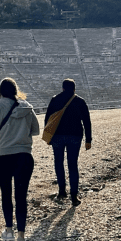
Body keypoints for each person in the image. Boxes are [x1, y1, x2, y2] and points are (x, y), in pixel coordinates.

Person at [0, 78, 39, 241]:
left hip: (3, 155)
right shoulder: (27, 107)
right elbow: (35, 130)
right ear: (16, 90)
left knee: (6, 194)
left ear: (1, 91)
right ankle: (21, 235)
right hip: (24, 155)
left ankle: (8, 230)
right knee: (21, 196)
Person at [44, 78, 92, 206]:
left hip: (57, 136)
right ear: (74, 89)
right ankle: (74, 195)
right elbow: (86, 121)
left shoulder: (55, 99)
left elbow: (48, 119)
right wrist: (88, 139)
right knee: (73, 164)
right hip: (75, 136)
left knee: (58, 162)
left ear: (63, 88)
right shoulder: (80, 101)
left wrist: (49, 136)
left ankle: (61, 191)